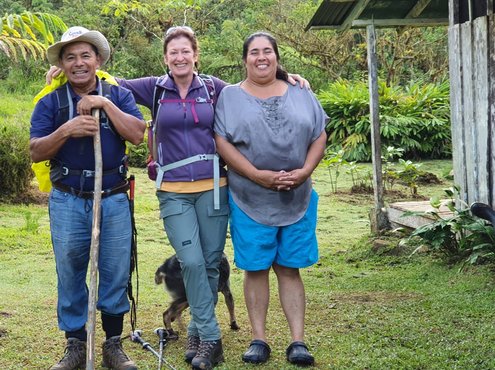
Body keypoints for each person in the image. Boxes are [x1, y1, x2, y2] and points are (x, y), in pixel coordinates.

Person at [45, 25, 310, 370]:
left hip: (215, 188)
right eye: (173, 52)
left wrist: (289, 77)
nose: (180, 57)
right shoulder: (155, 88)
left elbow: (254, 88)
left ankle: (198, 332)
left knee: (211, 262)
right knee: (192, 261)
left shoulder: (215, 88)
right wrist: (60, 71)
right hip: (174, 191)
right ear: (165, 59)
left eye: (186, 51)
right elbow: (106, 81)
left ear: (196, 55)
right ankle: (211, 339)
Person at [30, 26, 145, 370]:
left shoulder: (118, 94)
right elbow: (36, 151)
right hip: (68, 199)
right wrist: (67, 130)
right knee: (70, 271)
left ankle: (112, 345)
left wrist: (106, 104)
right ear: (62, 65)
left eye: (85, 55)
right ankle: (76, 347)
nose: (79, 63)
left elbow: (138, 135)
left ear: (98, 60)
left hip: (112, 197)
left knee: (114, 271)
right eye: (70, 57)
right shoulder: (49, 101)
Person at [214, 32, 328, 367]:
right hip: (249, 199)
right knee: (256, 268)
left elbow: (319, 134)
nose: (261, 57)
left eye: (267, 52)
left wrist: (306, 170)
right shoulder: (229, 96)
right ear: (245, 58)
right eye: (254, 52)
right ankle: (258, 339)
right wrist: (256, 175)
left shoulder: (301, 90)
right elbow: (222, 141)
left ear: (277, 57)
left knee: (289, 268)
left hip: (298, 198)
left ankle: (298, 341)